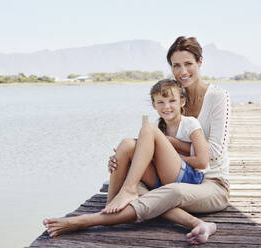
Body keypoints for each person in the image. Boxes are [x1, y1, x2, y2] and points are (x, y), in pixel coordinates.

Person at [43, 36, 230, 245]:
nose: (182, 71)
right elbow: (152, 141)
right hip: (171, 175)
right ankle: (116, 201)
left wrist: (165, 146)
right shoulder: (171, 97)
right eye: (176, 65)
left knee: (166, 191)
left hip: (211, 184)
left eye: (188, 64)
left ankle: (86, 221)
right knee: (130, 150)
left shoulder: (218, 97)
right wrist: (127, 155)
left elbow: (213, 152)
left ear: (200, 62)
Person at [102, 79, 209, 215]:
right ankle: (109, 204)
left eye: (172, 101)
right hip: (162, 180)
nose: (166, 107)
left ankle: (129, 189)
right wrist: (122, 157)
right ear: (154, 105)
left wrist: (162, 159)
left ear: (182, 102)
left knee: (148, 129)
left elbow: (202, 161)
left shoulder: (190, 124)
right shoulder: (159, 128)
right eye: (160, 102)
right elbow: (144, 153)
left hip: (189, 179)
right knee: (127, 144)